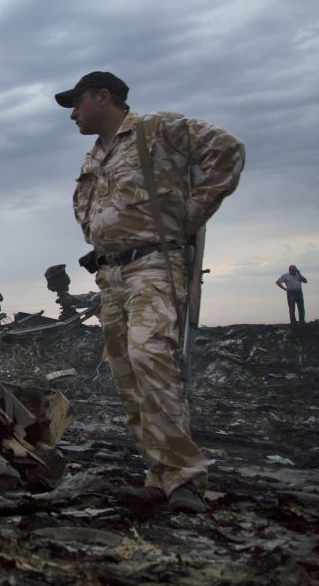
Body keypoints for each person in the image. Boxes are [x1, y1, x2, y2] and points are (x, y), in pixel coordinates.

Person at [57, 71, 245, 513]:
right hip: (112, 276)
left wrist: (188, 217)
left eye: (77, 102)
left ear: (103, 97)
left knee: (151, 358)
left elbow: (228, 151)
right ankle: (158, 475)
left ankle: (184, 479)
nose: (73, 113)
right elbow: (97, 212)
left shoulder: (156, 130)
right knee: (127, 374)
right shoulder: (95, 157)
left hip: (153, 267)